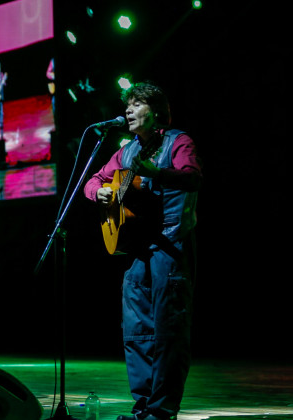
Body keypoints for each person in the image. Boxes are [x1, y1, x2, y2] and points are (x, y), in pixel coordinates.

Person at [83, 82, 202, 420]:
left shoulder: (179, 142)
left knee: (168, 331)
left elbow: (193, 178)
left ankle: (161, 412)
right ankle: (142, 408)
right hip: (137, 250)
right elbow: (93, 180)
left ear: (156, 112)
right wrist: (100, 195)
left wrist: (159, 174)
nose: (129, 111)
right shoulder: (127, 150)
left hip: (171, 245)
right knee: (135, 330)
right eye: (128, 106)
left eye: (136, 105)